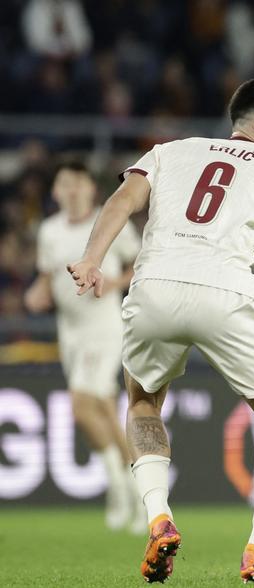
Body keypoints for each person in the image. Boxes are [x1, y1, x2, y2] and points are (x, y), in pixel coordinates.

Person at [67, 79, 254, 585]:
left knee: (141, 403)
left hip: (153, 285)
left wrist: (92, 259)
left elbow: (122, 200)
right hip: (227, 294)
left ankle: (158, 517)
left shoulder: (170, 151)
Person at [25, 160, 144, 533]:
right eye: (65, 184)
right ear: (56, 191)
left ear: (91, 189)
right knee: (104, 412)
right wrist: (38, 292)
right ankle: (140, 494)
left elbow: (139, 263)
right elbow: (47, 276)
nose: (72, 190)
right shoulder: (49, 231)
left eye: (78, 183)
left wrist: (115, 282)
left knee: (80, 404)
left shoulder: (107, 222)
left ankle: (119, 492)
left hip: (103, 325)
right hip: (70, 331)